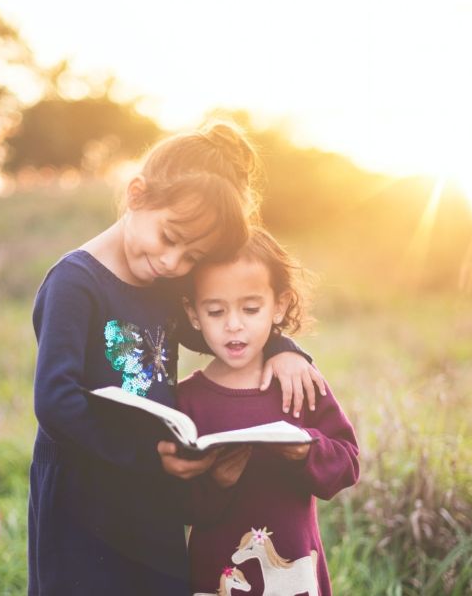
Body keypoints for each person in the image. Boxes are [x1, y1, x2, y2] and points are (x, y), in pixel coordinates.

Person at [28, 122, 326, 595]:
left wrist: (285, 349)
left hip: (153, 497)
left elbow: (225, 335)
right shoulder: (75, 284)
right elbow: (55, 401)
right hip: (84, 498)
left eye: (192, 257)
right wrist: (149, 457)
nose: (173, 263)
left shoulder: (164, 286)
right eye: (170, 237)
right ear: (137, 194)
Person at [175, 226, 359, 596]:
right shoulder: (186, 401)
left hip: (292, 571)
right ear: (193, 313)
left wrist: (307, 450)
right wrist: (216, 483)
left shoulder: (299, 382)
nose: (233, 324)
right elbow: (177, 504)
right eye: (215, 310)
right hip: (216, 574)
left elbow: (348, 463)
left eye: (251, 308)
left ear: (280, 306)